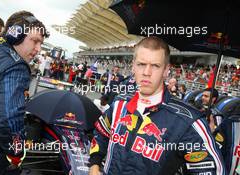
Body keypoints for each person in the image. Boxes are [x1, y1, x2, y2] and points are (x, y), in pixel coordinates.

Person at [89, 36, 225, 175]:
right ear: (133, 66)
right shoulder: (120, 104)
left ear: (166, 70)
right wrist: (94, 166)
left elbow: (213, 171)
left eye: (155, 66)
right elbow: (101, 133)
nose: (146, 73)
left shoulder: (188, 122)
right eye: (141, 64)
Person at [0, 11, 49, 174]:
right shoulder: (15, 67)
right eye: (35, 41)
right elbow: (7, 120)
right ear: (15, 35)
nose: (38, 49)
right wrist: (17, 153)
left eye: (41, 43)